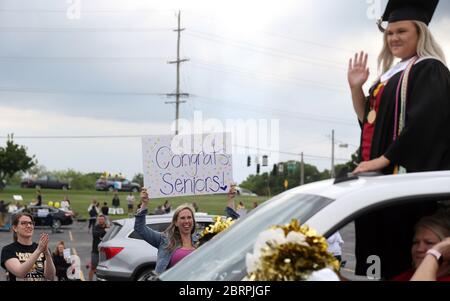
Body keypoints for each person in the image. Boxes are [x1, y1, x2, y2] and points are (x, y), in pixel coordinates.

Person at [347, 0, 450, 279]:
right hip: (382, 184)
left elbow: (427, 124)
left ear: (420, 33)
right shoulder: (391, 76)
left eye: (401, 31)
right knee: (373, 256)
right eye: (390, 33)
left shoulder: (430, 69)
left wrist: (383, 159)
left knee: (397, 255)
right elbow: (369, 121)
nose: (394, 38)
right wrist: (357, 88)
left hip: (405, 185)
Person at [134, 188, 197, 274]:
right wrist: (144, 204)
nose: (186, 221)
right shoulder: (165, 239)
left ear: (193, 220)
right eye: (182, 218)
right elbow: (140, 228)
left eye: (189, 217)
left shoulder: (201, 241)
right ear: (176, 222)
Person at [393, 211, 450, 281]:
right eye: (416, 242)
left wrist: (435, 254)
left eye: (429, 243)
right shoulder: (405, 276)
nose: (419, 249)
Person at [1, 213, 56, 281]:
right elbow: (20, 272)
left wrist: (47, 254)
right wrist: (38, 251)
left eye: (31, 223)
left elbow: (50, 277)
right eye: (23, 223)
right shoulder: (8, 250)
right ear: (15, 228)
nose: (29, 226)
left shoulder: (41, 248)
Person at [89, 215, 108, 281]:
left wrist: (107, 229)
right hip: (95, 251)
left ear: (105, 220)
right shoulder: (95, 227)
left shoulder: (108, 227)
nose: (100, 221)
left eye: (102, 219)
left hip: (105, 252)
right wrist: (105, 231)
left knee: (103, 269)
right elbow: (95, 234)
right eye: (99, 219)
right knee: (93, 267)